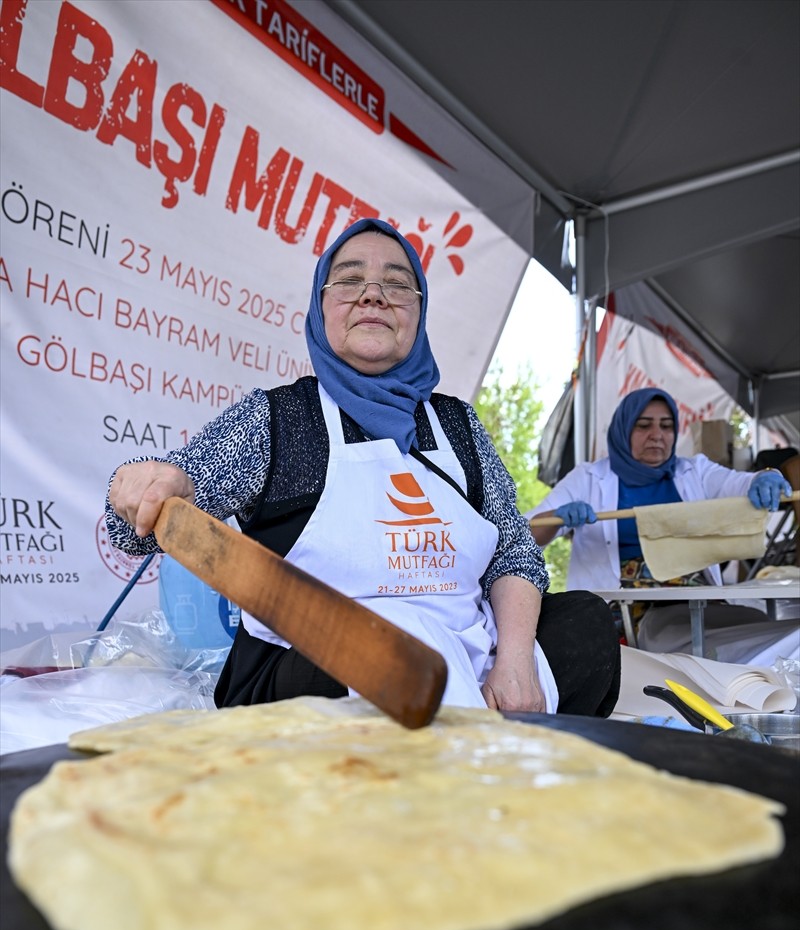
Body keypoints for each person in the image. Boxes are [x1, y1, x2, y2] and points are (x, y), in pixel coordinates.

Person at [107, 218, 620, 717]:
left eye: (397, 285)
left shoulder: (457, 424)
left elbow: (514, 553)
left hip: (465, 654)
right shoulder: (277, 418)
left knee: (589, 624)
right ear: (321, 305)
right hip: (323, 666)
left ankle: (469, 723)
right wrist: (150, 486)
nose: (373, 295)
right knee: (384, 650)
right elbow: (138, 528)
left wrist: (513, 662)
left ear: (418, 313)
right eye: (350, 280)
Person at [527, 387, 794, 656]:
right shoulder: (587, 478)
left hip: (699, 602)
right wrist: (557, 516)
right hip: (627, 614)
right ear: (624, 429)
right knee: (706, 642)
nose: (657, 435)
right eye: (644, 426)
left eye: (667, 426)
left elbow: (738, 483)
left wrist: (763, 477)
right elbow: (524, 535)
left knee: (751, 625)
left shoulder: (694, 471)